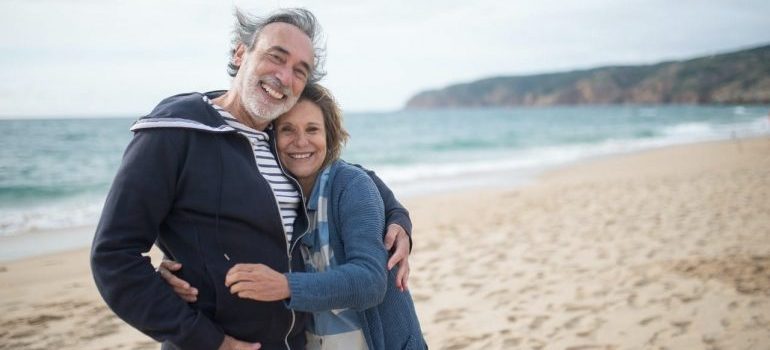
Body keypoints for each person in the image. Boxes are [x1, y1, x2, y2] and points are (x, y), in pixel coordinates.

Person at [90, 8, 412, 350]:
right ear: (240, 53)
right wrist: (212, 341)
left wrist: (398, 219)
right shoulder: (175, 132)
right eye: (276, 57)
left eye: (300, 71)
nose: (284, 77)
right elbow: (114, 256)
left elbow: (351, 176)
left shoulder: (278, 138)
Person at [164, 83, 426, 350]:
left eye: (312, 129)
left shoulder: (350, 185)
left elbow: (370, 282)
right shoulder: (267, 194)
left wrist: (286, 286)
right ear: (269, 137)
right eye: (287, 129)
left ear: (329, 136)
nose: (301, 141)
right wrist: (179, 267)